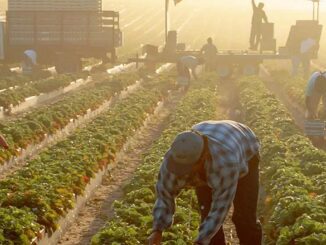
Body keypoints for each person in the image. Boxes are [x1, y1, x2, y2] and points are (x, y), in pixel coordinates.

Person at [148, 120, 262, 245]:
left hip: (244, 146)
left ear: (202, 158)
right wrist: (157, 230)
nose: (183, 172)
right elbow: (165, 196)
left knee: (244, 218)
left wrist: (200, 241)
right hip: (211, 143)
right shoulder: (173, 159)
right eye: (180, 167)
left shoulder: (225, 164)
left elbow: (220, 208)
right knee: (207, 214)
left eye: (187, 167)